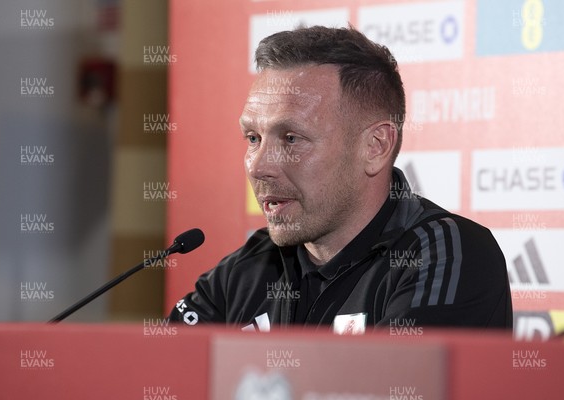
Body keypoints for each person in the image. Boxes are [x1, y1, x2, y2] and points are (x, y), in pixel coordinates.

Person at [169, 26, 512, 333]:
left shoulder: (447, 253)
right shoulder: (249, 267)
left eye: (291, 138)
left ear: (375, 147)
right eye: (253, 138)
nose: (258, 167)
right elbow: (162, 371)